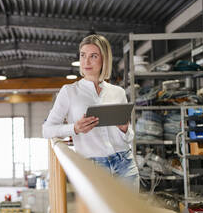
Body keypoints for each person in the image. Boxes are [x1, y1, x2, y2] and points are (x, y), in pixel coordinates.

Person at [42, 34, 139, 192]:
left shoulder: (118, 92)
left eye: (93, 56)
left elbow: (129, 137)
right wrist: (74, 128)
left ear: (104, 59)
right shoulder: (69, 92)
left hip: (125, 163)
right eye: (83, 55)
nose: (86, 61)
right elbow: (46, 130)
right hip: (94, 167)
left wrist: (124, 129)